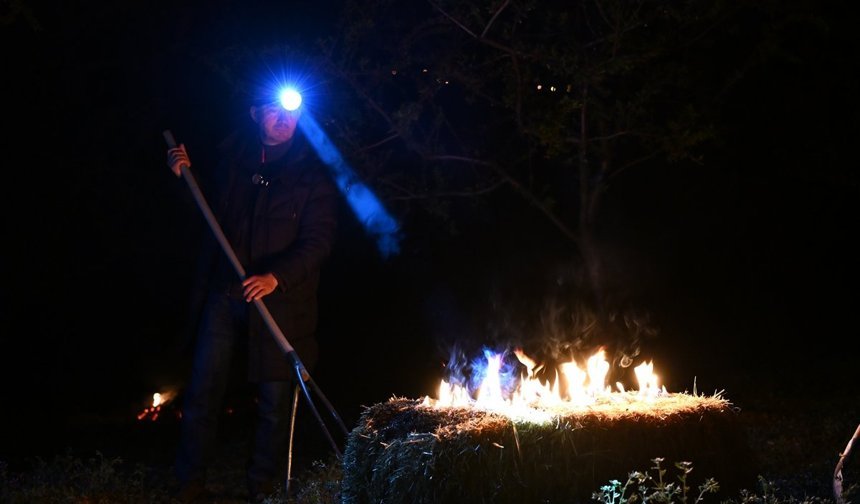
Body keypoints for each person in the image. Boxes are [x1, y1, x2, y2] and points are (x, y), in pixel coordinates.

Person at [166, 81, 339, 502]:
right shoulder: (233, 159)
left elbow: (319, 241)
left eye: (293, 112)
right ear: (256, 113)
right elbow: (208, 218)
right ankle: (190, 482)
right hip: (226, 293)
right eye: (275, 111)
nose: (285, 120)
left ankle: (263, 487)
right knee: (203, 390)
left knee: (275, 400)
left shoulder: (311, 174)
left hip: (281, 301)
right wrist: (184, 179)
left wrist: (277, 276)